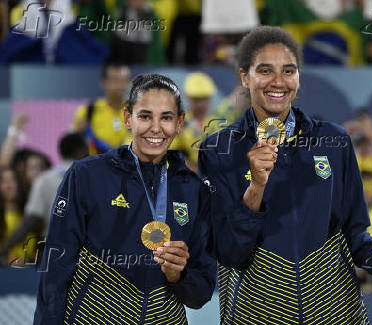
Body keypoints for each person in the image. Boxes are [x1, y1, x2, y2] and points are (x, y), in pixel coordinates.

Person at [198, 26, 372, 324]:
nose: (278, 82)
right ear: (244, 77)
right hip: (258, 314)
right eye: (265, 71)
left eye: (288, 71)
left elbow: (355, 236)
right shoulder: (218, 149)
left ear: (299, 77)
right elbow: (229, 252)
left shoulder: (334, 141)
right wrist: (255, 188)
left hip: (335, 312)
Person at [34, 74, 216, 324]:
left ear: (180, 122)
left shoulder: (194, 190)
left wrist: (179, 276)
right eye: (145, 116)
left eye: (166, 117)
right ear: (128, 118)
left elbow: (201, 293)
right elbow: (56, 265)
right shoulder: (87, 175)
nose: (155, 128)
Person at [0, 133, 89, 264]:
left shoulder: (45, 180)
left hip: (54, 254)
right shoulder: (95, 179)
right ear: (81, 150)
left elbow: (31, 221)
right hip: (91, 255)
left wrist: (4, 248)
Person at [72, 62, 131, 155]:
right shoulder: (87, 111)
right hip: (96, 165)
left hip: (129, 165)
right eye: (115, 80)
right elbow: (75, 145)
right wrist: (79, 134)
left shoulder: (136, 112)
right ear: (103, 83)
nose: (121, 85)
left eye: (125, 80)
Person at [170, 72, 219, 173]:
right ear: (188, 98)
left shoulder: (218, 122)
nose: (201, 104)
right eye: (196, 100)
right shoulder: (179, 122)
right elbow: (170, 154)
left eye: (204, 99)